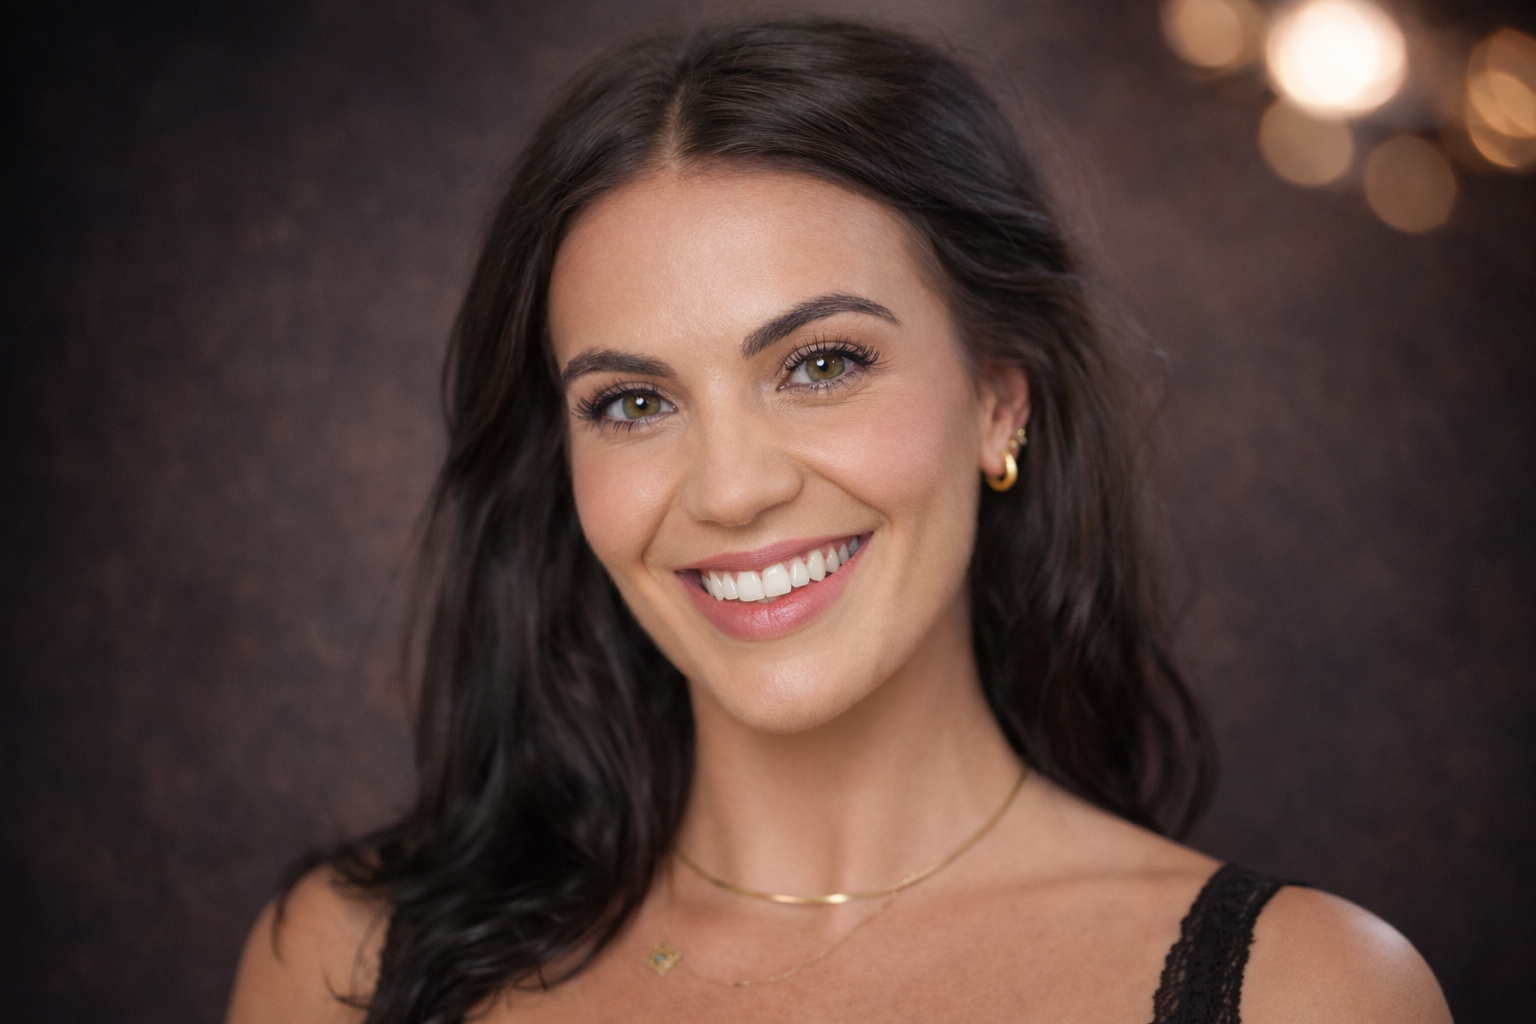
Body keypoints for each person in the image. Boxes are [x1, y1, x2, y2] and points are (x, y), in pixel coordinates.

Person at [227, 17, 1451, 1024]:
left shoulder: (1311, 991)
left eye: (820, 364)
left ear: (996, 402)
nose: (731, 488)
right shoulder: (339, 967)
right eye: (635, 400)